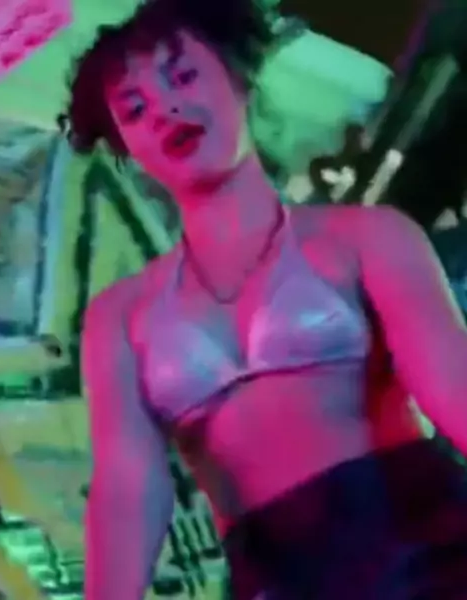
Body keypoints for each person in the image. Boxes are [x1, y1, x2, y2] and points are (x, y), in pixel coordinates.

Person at [65, 0, 467, 598]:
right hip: (275, 579)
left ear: (239, 78)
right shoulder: (119, 317)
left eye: (183, 76)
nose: (165, 110)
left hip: (430, 553)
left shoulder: (367, 237)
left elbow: (455, 391)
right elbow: (128, 489)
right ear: (124, 143)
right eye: (134, 108)